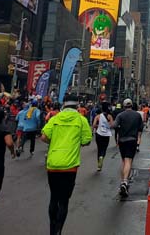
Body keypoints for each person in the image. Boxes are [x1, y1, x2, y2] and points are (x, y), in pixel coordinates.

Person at [40, 94, 92, 235]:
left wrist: (54, 143)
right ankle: (58, 231)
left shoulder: (55, 118)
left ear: (64, 104)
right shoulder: (81, 120)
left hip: (53, 164)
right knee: (64, 201)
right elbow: (87, 140)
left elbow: (44, 136)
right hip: (70, 166)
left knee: (53, 198)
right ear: (77, 105)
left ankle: (52, 230)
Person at [111, 98, 143, 198]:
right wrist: (138, 140)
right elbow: (140, 128)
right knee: (128, 160)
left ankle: (123, 182)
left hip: (122, 140)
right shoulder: (137, 115)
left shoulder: (120, 115)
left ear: (124, 106)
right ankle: (125, 181)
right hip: (132, 140)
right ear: (132, 105)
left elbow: (114, 126)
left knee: (124, 161)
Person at [92, 102, 113, 171]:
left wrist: (98, 126)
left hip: (98, 134)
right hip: (106, 135)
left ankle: (99, 165)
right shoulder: (110, 116)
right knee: (104, 149)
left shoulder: (98, 116)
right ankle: (102, 157)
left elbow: (94, 125)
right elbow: (112, 125)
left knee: (99, 148)